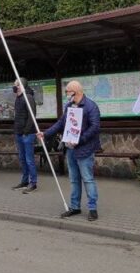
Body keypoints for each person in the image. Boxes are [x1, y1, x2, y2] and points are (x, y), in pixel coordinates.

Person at [39, 80, 101, 221]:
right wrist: (45, 134)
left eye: (67, 91)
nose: (66, 94)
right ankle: (75, 207)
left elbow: (95, 127)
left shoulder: (91, 106)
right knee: (74, 180)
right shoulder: (69, 106)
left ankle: (92, 209)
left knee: (88, 179)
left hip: (84, 149)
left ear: (76, 92)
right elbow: (61, 123)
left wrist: (80, 140)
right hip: (70, 149)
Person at [11, 78, 38, 193]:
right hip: (19, 133)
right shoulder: (18, 98)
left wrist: (26, 131)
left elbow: (32, 116)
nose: (14, 86)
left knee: (29, 159)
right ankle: (25, 181)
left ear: (21, 85)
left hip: (27, 134)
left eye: (16, 84)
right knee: (22, 158)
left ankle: (33, 182)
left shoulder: (28, 97)